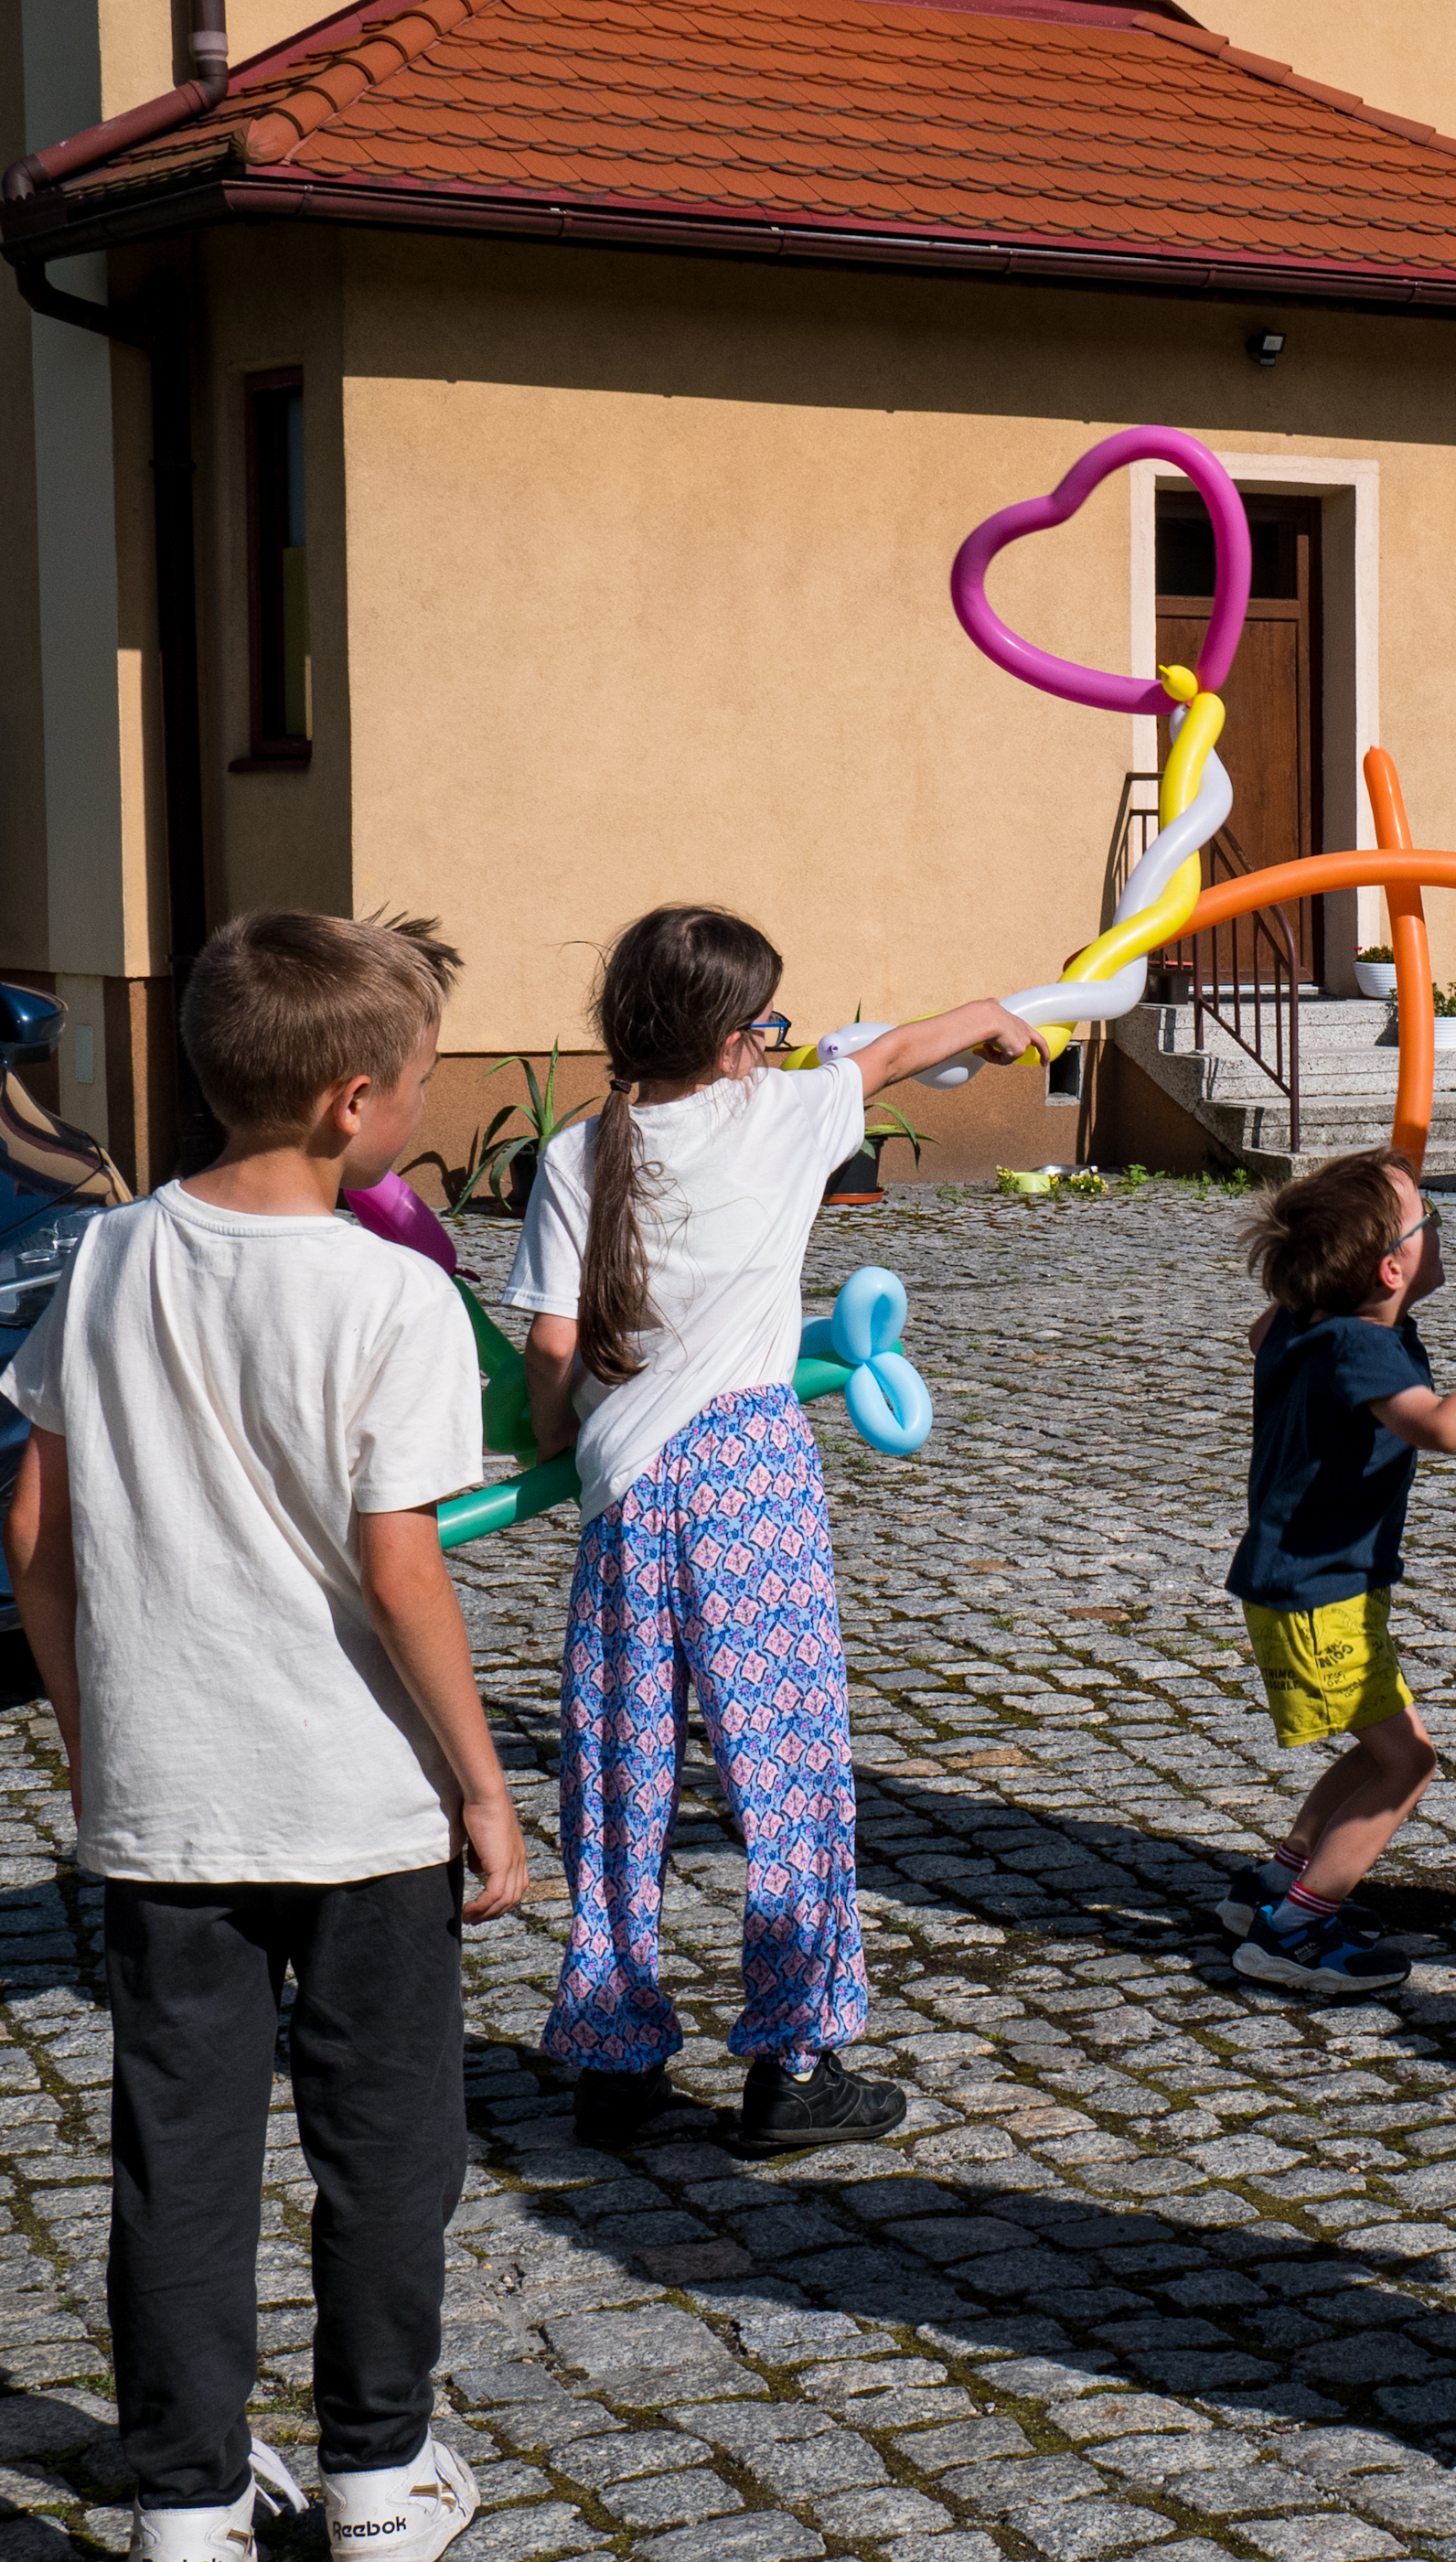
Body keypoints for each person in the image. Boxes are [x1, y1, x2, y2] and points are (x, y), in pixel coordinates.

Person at [2, 910, 529, 2562]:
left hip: (168, 1799)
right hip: (360, 1802)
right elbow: (401, 1563)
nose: (426, 1113)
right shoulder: (393, 1294)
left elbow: (35, 1524)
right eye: (422, 1085)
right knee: (386, 2145)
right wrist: (484, 1784)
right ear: (350, 1101)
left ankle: (186, 2503)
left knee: (184, 2152)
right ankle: (378, 2479)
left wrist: (97, 1733)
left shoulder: (103, 1256)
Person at [509, 906, 1033, 2155]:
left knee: (619, 1763)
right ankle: (794, 2060)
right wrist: (1002, 1026)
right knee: (785, 1762)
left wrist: (553, 1440)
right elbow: (905, 1047)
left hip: (627, 1487)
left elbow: (548, 1346)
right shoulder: (786, 1114)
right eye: (768, 1023)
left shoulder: (581, 1150)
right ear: (739, 1038)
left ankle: (616, 2055)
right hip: (750, 1472)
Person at [1219, 1148, 1456, 1993]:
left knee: (1381, 1741)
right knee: (1405, 1763)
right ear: (1391, 1267)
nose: (1439, 1227)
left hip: (1314, 1584)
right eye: (1430, 1220)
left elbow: (1261, 1326)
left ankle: (1278, 1884)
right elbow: (1445, 1427)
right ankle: (1295, 1934)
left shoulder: (1301, 1320)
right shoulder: (1358, 1346)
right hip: (1321, 1594)